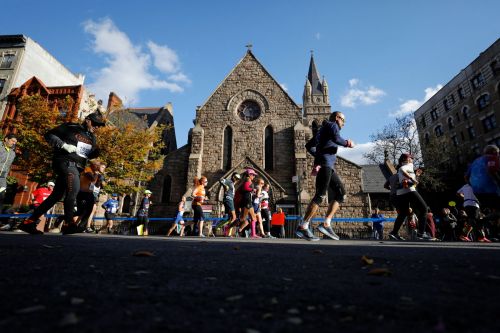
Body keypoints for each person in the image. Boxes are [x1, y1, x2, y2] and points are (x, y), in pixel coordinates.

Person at [19, 112, 105, 235]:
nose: (97, 127)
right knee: (73, 190)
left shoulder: (92, 137)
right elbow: (49, 135)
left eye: (99, 125)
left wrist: (95, 153)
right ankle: (69, 223)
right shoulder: (70, 127)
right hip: (65, 163)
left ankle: (28, 222)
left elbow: (87, 154)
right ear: (87, 120)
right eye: (95, 123)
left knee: (56, 196)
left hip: (78, 167)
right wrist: (63, 145)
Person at [297, 111, 354, 241]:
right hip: (326, 165)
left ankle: (326, 224)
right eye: (343, 120)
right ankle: (303, 226)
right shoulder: (332, 125)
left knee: (341, 194)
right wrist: (348, 143)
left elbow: (308, 146)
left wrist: (319, 156)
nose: (343, 124)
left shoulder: (320, 131)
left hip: (328, 166)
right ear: (337, 118)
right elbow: (336, 139)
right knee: (320, 196)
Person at [395, 153, 433, 240]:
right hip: (409, 190)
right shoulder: (407, 165)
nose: (412, 159)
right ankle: (421, 233)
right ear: (407, 159)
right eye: (411, 158)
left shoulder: (409, 167)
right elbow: (402, 170)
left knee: (403, 213)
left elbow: (412, 181)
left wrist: (416, 176)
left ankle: (394, 232)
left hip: (401, 192)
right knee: (424, 209)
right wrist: (412, 179)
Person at [466, 144, 500, 210]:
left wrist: (473, 186)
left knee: (495, 208)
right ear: (494, 152)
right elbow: (491, 170)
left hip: (478, 193)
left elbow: (466, 177)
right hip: (491, 190)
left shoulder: (475, 162)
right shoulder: (492, 157)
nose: (498, 155)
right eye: (498, 153)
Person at [0, 134, 18, 212]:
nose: (14, 143)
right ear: (6, 139)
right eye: (12, 141)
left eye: (15, 142)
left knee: (2, 195)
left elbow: (6, 168)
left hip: (2, 176)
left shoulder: (12, 153)